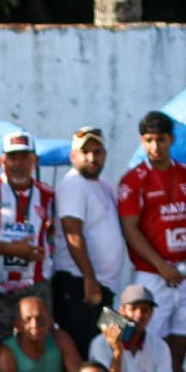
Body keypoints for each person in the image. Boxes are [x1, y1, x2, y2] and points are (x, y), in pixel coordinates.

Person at [119, 110, 186, 367]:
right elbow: (130, 229)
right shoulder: (133, 180)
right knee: (147, 340)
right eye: (148, 140)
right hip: (152, 274)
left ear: (171, 139)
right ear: (141, 141)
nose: (155, 146)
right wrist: (160, 265)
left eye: (161, 140)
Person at [0, 132, 56, 343]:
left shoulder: (48, 194)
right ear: (2, 160)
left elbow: (55, 234)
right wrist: (11, 249)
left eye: (25, 157)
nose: (18, 163)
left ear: (35, 161)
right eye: (13, 157)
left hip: (35, 286)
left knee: (37, 346)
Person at [53, 127, 125, 355]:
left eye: (97, 151)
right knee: (82, 349)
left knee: (104, 348)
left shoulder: (105, 185)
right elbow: (72, 232)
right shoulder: (72, 183)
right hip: (80, 286)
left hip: (104, 288)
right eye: (85, 152)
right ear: (73, 156)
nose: (92, 158)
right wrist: (89, 278)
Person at [88, 284, 173, 372]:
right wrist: (117, 352)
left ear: (151, 313)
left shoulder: (161, 346)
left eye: (145, 310)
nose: (139, 315)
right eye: (133, 309)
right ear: (122, 311)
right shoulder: (100, 343)